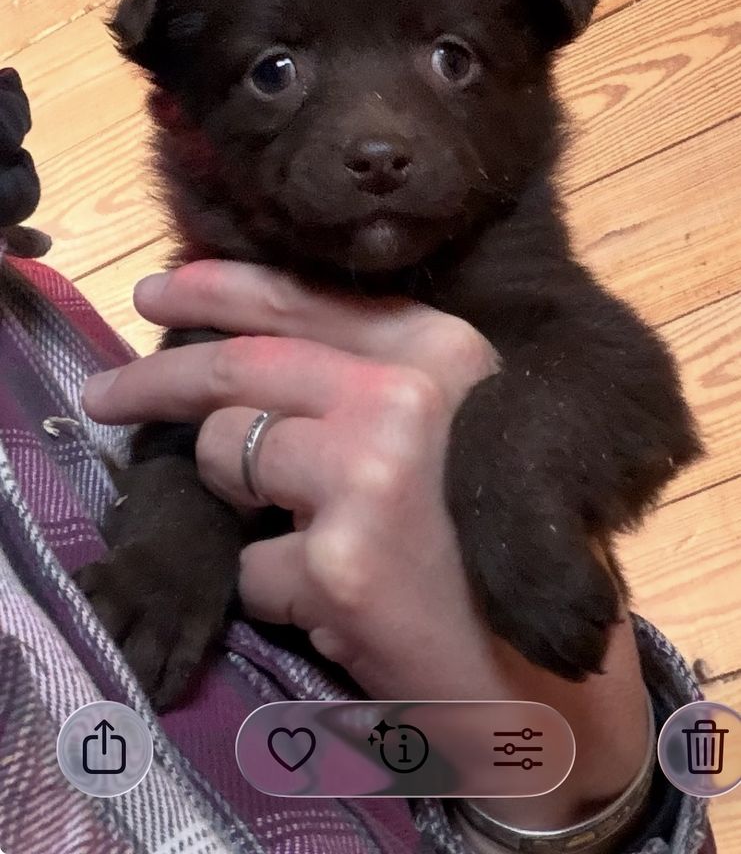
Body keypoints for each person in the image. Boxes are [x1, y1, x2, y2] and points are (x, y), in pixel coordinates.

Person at [0, 66, 713, 853]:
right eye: (276, 70)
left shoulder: (34, 305)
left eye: (450, 58)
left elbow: (635, 406)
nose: (376, 136)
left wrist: (567, 773)